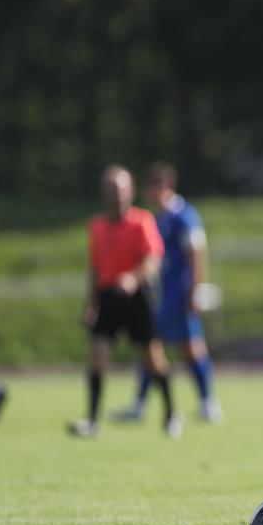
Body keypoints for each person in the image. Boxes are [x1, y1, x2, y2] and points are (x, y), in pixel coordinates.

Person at [70, 165, 182, 438]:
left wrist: (133, 278)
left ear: (130, 192)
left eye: (120, 189)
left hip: (136, 298)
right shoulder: (96, 226)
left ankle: (171, 414)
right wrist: (92, 304)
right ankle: (92, 420)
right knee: (98, 355)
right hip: (108, 296)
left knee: (153, 359)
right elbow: (95, 269)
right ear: (103, 193)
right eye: (110, 190)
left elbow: (153, 260)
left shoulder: (142, 221)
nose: (115, 195)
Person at [114, 162, 221, 424]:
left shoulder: (184, 216)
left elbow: (197, 254)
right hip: (165, 296)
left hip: (181, 294)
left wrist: (194, 291)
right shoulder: (160, 218)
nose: (150, 193)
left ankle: (206, 403)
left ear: (166, 186)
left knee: (179, 346)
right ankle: (146, 405)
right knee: (164, 348)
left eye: (153, 187)